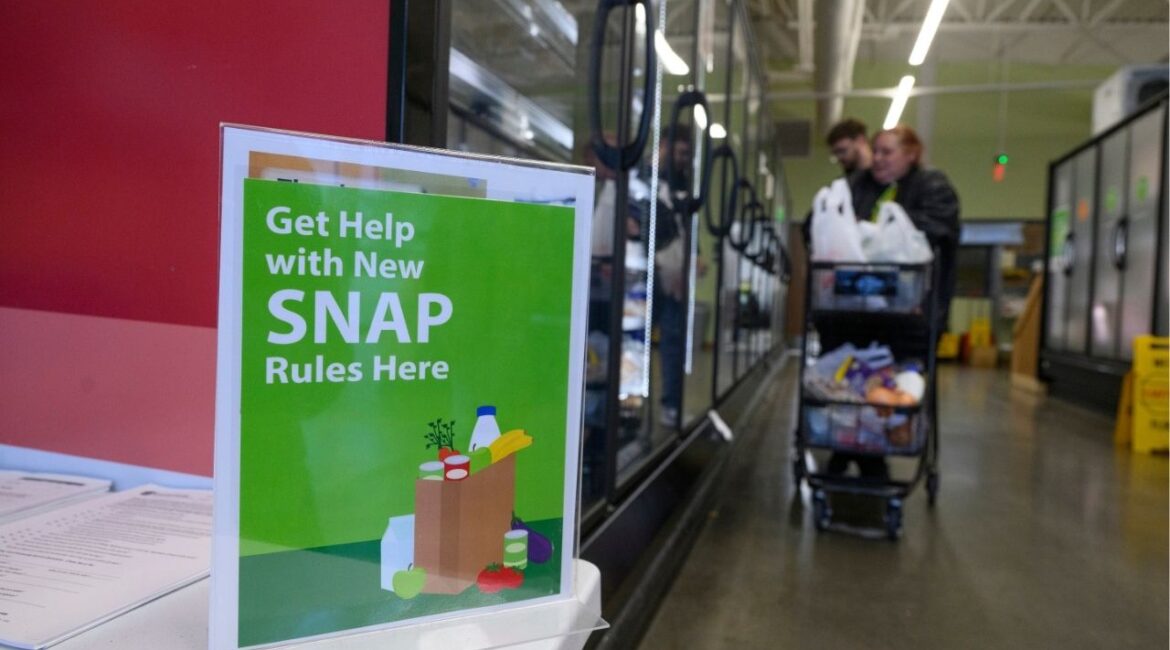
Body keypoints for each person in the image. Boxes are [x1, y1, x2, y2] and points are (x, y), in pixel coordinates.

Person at [821, 123, 960, 479]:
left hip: (910, 314)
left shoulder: (932, 187)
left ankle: (876, 452)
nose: (879, 159)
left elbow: (936, 230)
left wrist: (872, 231)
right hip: (854, 311)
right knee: (851, 384)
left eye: (888, 152)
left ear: (911, 154)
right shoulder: (858, 186)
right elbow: (821, 221)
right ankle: (847, 447)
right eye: (877, 151)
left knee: (896, 383)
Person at [650, 126, 693, 428]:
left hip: (675, 273)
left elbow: (686, 227)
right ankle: (628, 406)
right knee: (636, 339)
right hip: (647, 270)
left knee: (673, 342)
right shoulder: (645, 177)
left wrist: (692, 258)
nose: (681, 159)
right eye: (678, 152)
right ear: (663, 146)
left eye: (686, 154)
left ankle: (671, 405)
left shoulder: (685, 184)